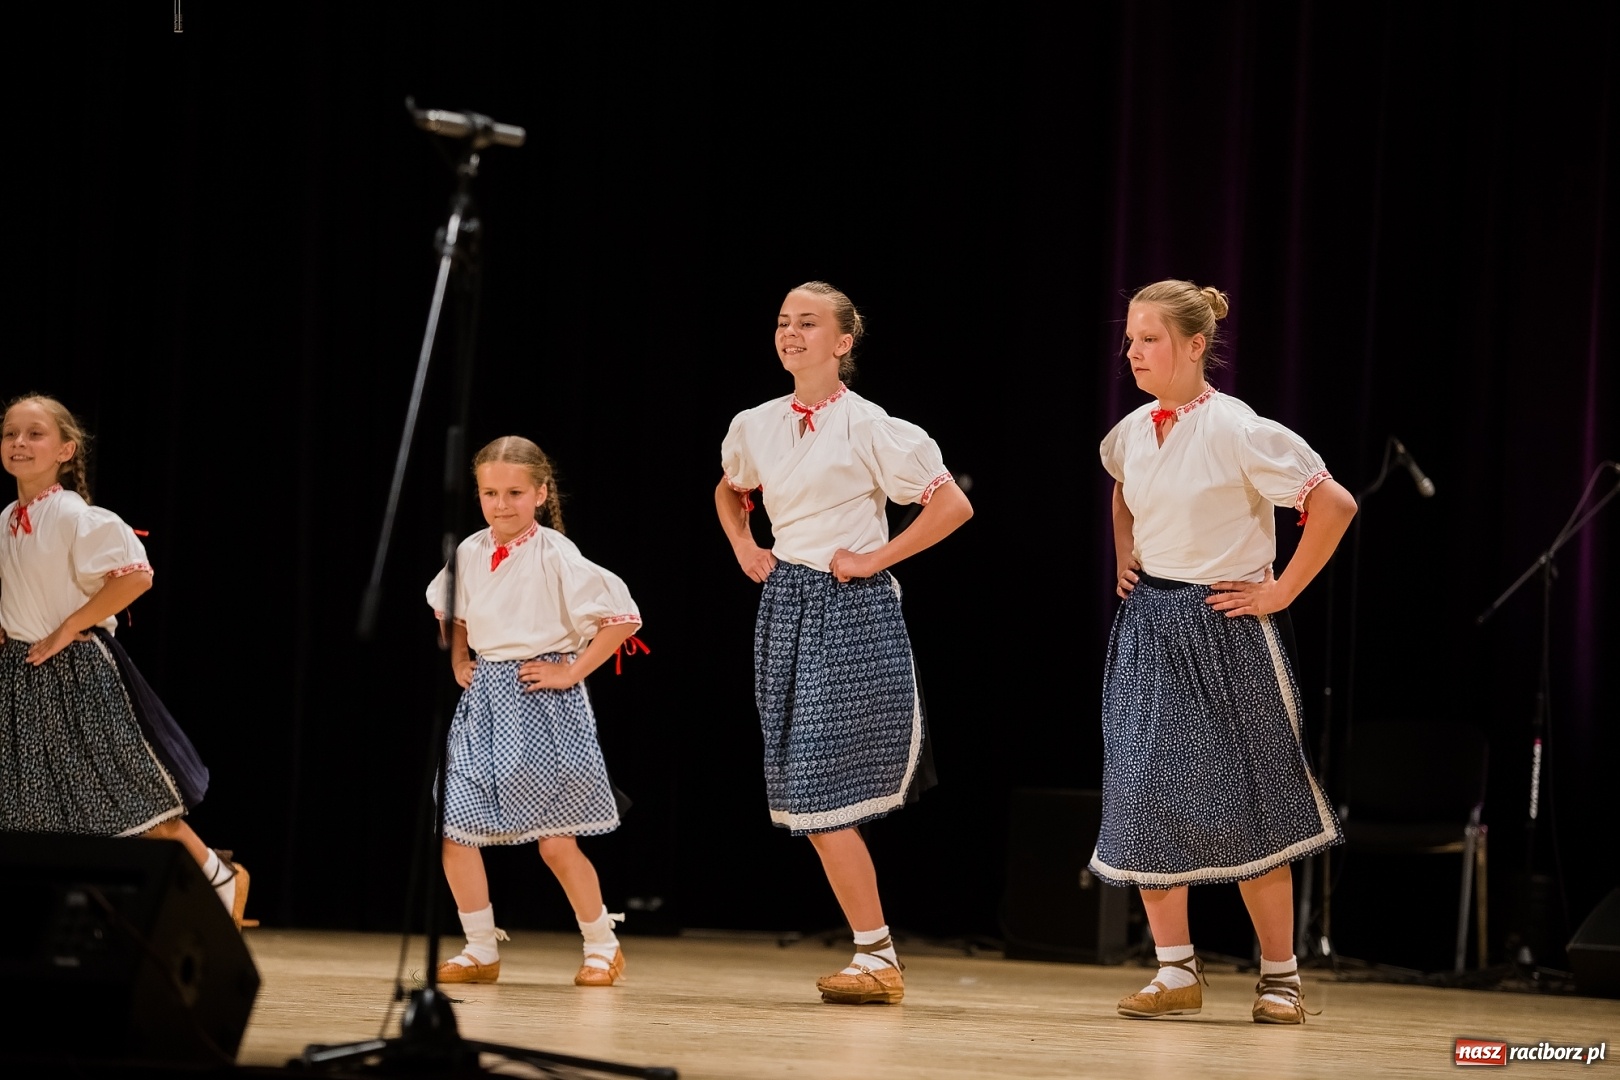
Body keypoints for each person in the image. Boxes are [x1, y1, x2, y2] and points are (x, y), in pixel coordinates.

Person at [1089, 280, 1356, 1024]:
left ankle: (1281, 978)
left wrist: (1282, 591)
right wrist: (1126, 553)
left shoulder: (1237, 429)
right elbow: (1120, 489)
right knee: (1144, 795)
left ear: (1196, 344)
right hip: (1150, 624)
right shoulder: (1135, 429)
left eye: (1149, 339)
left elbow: (1334, 503)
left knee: (1250, 802)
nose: (1133, 352)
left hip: (1224, 624)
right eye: (1131, 338)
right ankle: (1175, 971)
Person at [715, 281, 974, 1005]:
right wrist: (742, 542)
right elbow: (731, 488)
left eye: (808, 323)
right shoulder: (756, 423)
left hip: (851, 608)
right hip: (785, 604)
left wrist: (872, 558)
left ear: (843, 342)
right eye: (782, 322)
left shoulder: (872, 426)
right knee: (805, 793)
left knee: (825, 790)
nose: (791, 333)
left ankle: (877, 955)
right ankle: (874, 955)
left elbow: (951, 503)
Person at [0, 394, 249, 928]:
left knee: (128, 800)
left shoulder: (72, 513)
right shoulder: (8, 518)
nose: (19, 443)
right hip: (23, 675)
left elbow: (136, 575)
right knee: (36, 810)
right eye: (10, 433)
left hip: (77, 672)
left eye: (34, 433)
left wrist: (71, 625)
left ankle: (217, 876)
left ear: (66, 450)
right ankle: (67, 913)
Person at [426, 436, 643, 987]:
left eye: (515, 493)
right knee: (455, 830)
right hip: (486, 701)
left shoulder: (557, 554)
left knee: (555, 840)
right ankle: (479, 948)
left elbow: (622, 618)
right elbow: (453, 612)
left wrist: (570, 671)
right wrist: (459, 659)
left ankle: (601, 943)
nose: (502, 504)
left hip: (543, 700)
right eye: (490, 493)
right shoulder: (471, 551)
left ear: (541, 494)